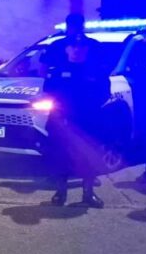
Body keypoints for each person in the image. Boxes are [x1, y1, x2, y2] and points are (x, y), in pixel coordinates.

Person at [43, 33, 108, 208]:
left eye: (81, 47)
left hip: (87, 121)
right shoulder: (57, 71)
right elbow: (48, 91)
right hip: (63, 122)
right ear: (67, 49)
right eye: (73, 47)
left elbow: (104, 93)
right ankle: (60, 192)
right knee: (61, 157)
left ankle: (88, 193)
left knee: (88, 157)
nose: (77, 50)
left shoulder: (95, 70)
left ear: (86, 50)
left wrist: (90, 108)